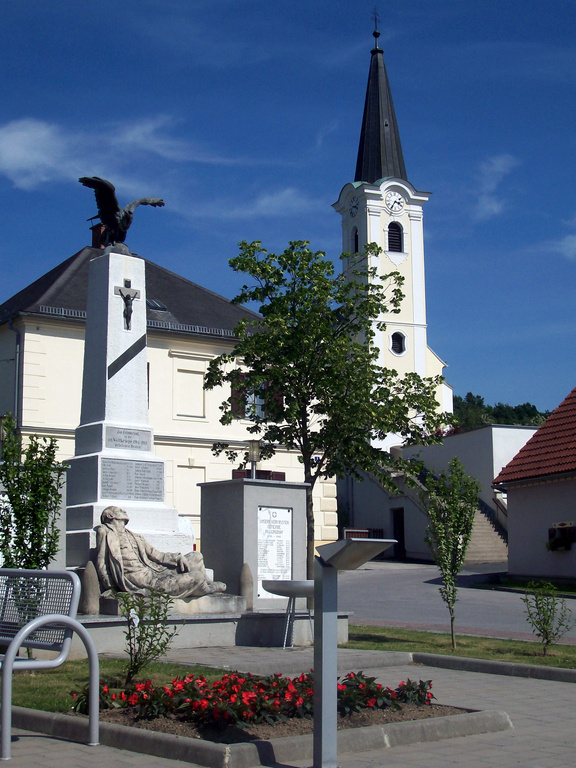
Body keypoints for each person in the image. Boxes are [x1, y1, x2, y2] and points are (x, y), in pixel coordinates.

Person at [95, 506, 226, 598]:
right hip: (142, 579)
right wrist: (109, 586)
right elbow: (101, 562)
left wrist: (177, 558)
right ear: (110, 515)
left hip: (155, 571)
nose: (124, 510)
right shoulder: (105, 532)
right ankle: (208, 589)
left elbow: (157, 555)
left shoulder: (135, 537)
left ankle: (207, 584)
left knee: (196, 557)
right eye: (119, 510)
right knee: (197, 576)